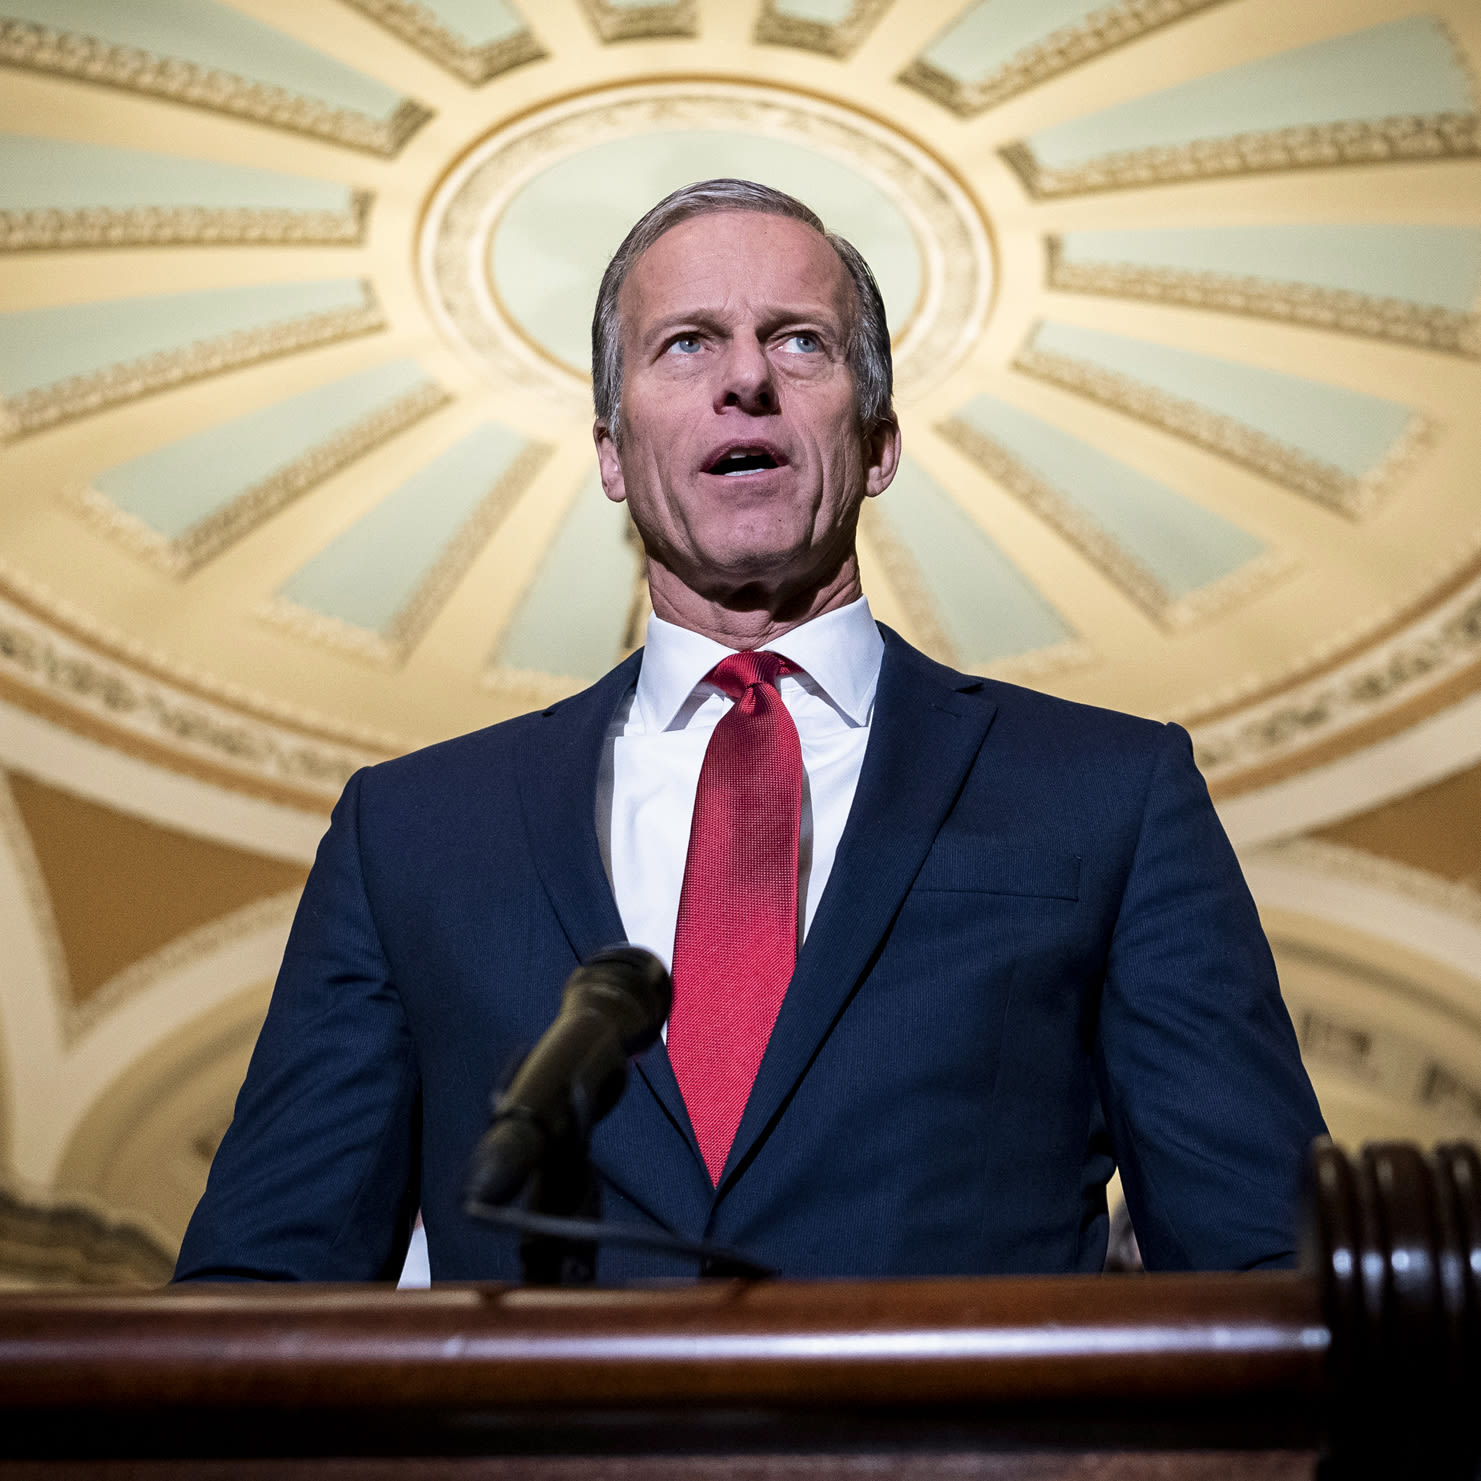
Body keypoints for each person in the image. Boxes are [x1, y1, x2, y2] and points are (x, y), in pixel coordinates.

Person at [176, 180, 1324, 1283]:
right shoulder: (413, 833)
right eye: (685, 343)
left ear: (877, 443)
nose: (743, 379)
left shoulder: (1108, 793)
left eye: (798, 342)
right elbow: (255, 1294)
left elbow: (1268, 1267)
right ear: (611, 453)